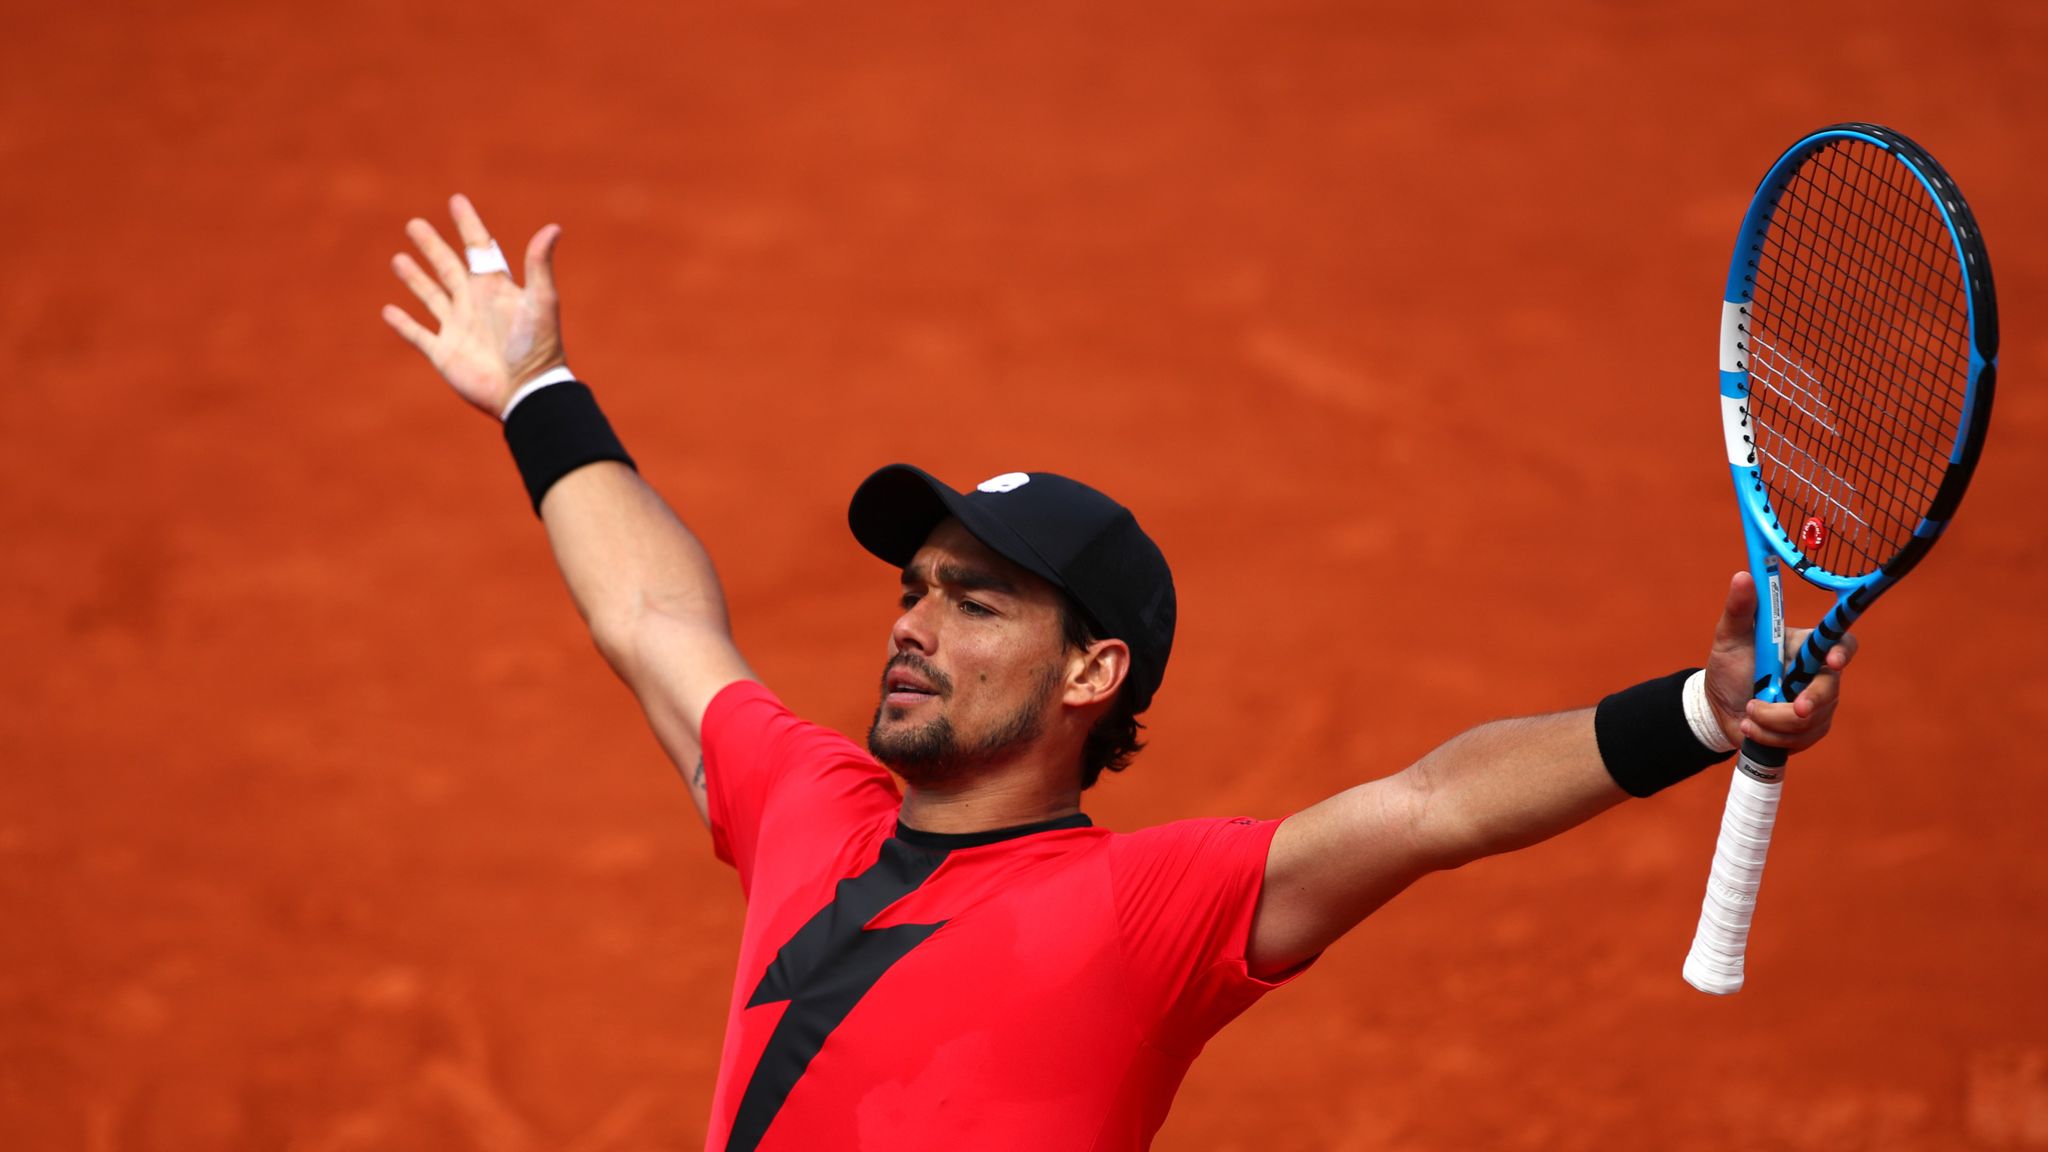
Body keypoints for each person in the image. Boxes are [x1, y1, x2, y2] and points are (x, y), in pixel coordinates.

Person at [383, 195, 1857, 1152]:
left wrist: (1698, 718)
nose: (911, 625)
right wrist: (537, 394)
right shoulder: (804, 807)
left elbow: (1428, 807)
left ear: (1094, 672)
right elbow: (653, 620)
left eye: (975, 605)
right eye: (911, 592)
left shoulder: (1150, 910)